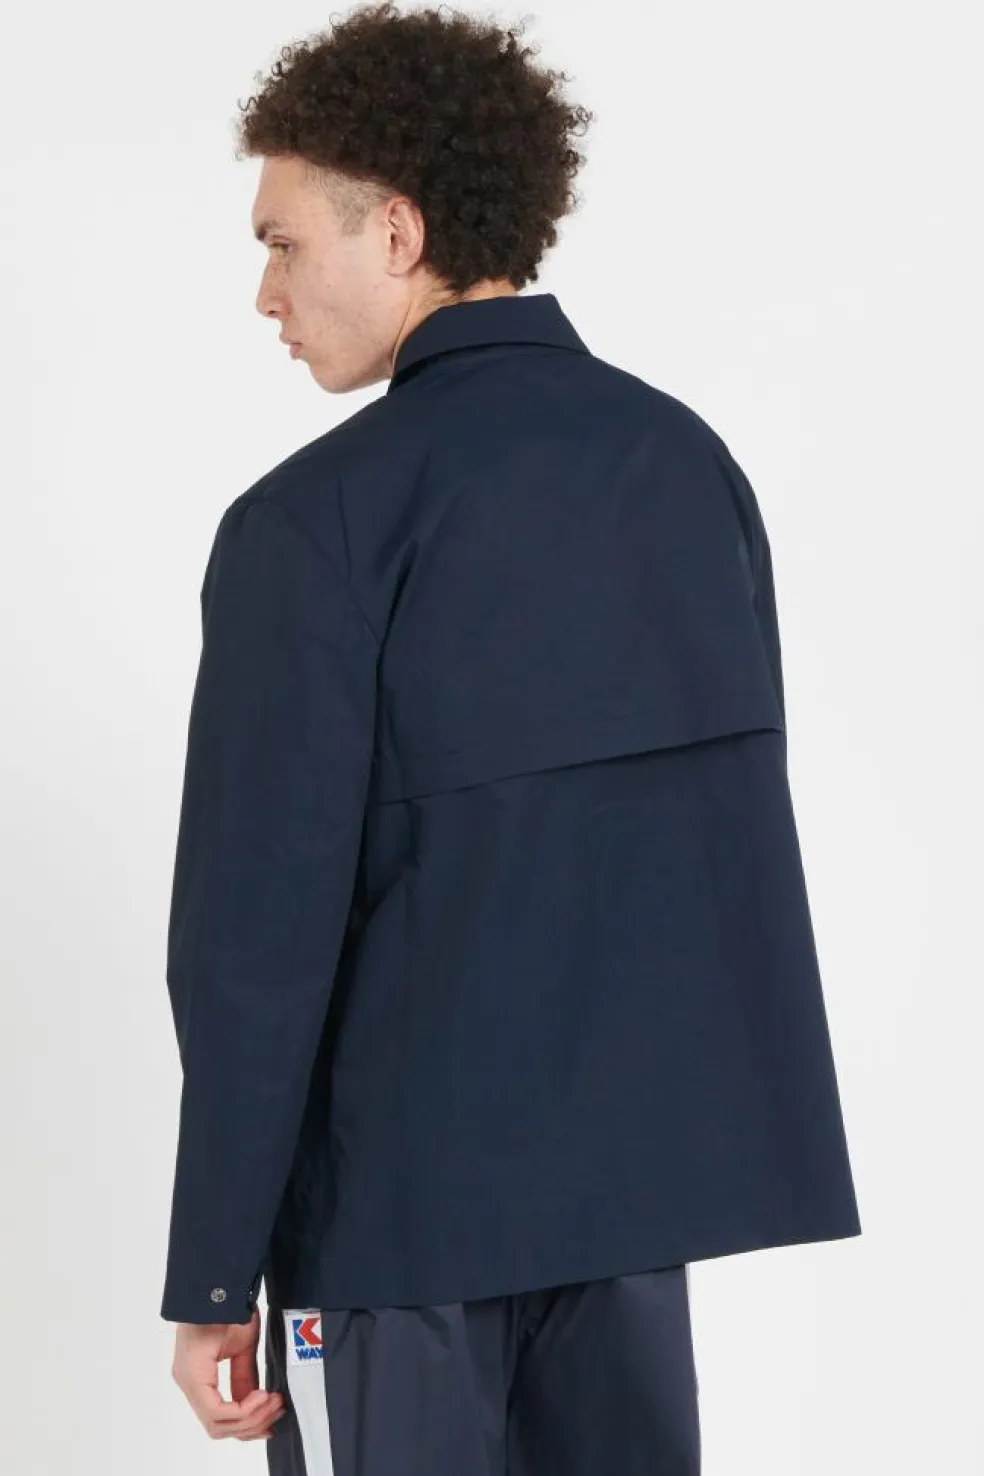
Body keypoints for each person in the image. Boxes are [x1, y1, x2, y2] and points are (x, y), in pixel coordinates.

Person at [160, 4, 862, 1472]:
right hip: (632, 1222)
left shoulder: (313, 524)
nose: (264, 292)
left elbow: (255, 940)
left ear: (397, 229)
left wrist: (215, 1273)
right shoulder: (688, 468)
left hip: (394, 1234)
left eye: (282, 242)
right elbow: (714, 842)